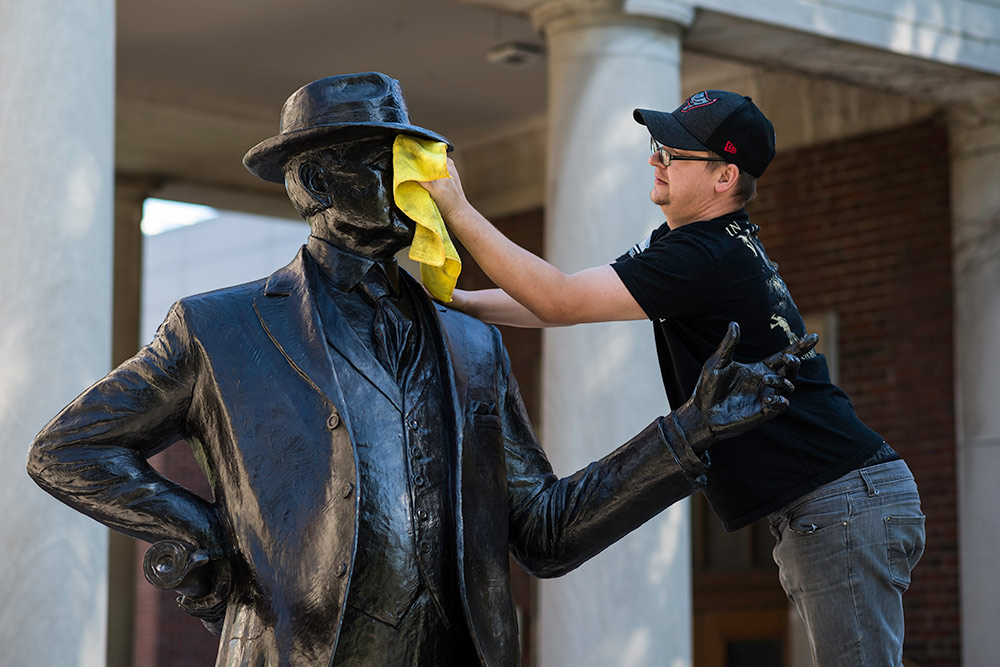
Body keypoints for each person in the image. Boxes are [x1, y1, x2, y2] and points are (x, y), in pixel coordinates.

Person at [26, 74, 810, 667]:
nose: (414, 177)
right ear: (314, 182)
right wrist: (202, 532)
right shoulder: (218, 327)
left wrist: (686, 434)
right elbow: (68, 449)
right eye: (382, 161)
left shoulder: (470, 339)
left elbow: (543, 530)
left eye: (413, 156)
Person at [420, 89, 925, 666]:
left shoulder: (702, 257)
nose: (655, 159)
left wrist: (457, 210)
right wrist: (458, 302)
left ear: (723, 176)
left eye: (675, 153)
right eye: (658, 146)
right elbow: (557, 303)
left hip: (840, 502)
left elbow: (556, 299)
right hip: (838, 500)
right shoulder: (697, 247)